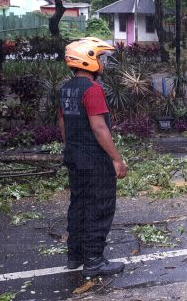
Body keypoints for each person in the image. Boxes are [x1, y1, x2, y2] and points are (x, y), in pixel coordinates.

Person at [58, 37, 127, 277]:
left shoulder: (65, 89)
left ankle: (74, 256)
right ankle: (94, 261)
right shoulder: (93, 89)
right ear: (88, 60)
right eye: (99, 58)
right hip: (94, 160)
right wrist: (116, 159)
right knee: (99, 206)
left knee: (78, 205)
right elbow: (99, 128)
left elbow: (63, 123)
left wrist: (72, 148)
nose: (102, 63)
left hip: (74, 157)